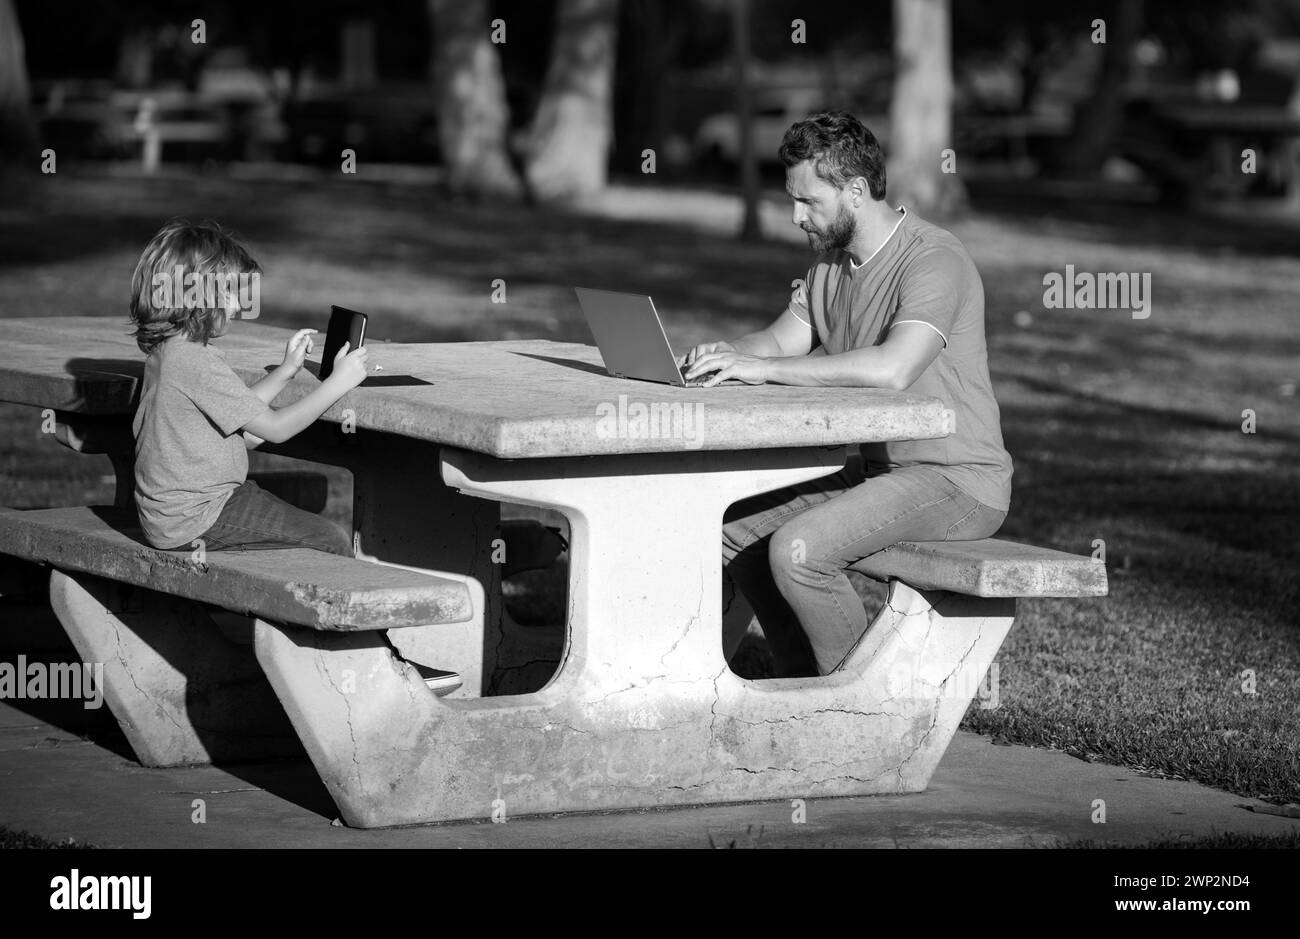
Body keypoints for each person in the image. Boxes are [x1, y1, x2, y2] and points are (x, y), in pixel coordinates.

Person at [679, 111, 1013, 678]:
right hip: (878, 473)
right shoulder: (829, 267)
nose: (795, 216)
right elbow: (776, 342)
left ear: (855, 192)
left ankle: (862, 706)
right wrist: (725, 355)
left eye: (808, 202)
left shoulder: (935, 259)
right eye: (792, 199)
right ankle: (801, 688)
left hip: (958, 480)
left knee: (799, 552)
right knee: (735, 528)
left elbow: (893, 368)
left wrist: (765, 371)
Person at [129, 219, 367, 555]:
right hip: (200, 516)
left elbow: (240, 413)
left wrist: (286, 371)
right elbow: (275, 429)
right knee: (331, 541)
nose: (238, 306)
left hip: (174, 516)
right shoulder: (194, 361)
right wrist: (338, 383)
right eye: (229, 293)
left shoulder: (171, 352)